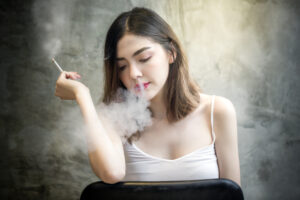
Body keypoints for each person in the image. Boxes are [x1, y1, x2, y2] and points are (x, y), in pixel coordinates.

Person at [55, 7, 241, 186]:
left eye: (144, 58)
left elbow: (232, 194)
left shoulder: (217, 111)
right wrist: (82, 95)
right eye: (122, 66)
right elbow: (112, 174)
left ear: (171, 53)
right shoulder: (115, 120)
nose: (134, 73)